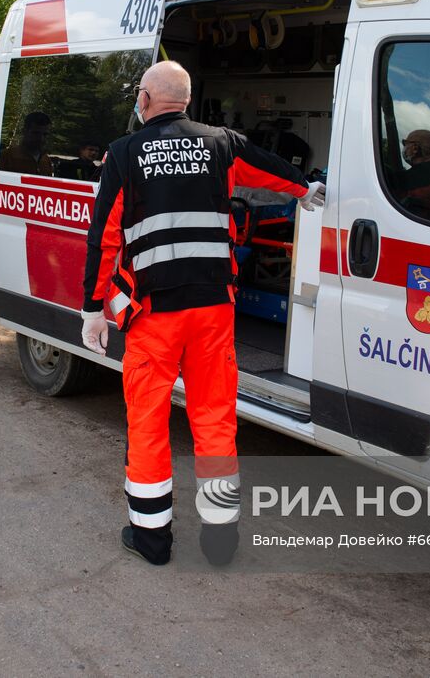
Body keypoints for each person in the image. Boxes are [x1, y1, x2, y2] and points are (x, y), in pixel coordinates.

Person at [80, 61, 325, 567]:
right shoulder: (222, 145)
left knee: (148, 422)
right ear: (186, 101)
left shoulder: (125, 154)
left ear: (145, 99)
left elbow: (103, 237)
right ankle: (220, 540)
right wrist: (308, 189)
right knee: (214, 419)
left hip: (154, 315)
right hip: (213, 310)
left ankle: (152, 539)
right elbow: (275, 171)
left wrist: (91, 309)